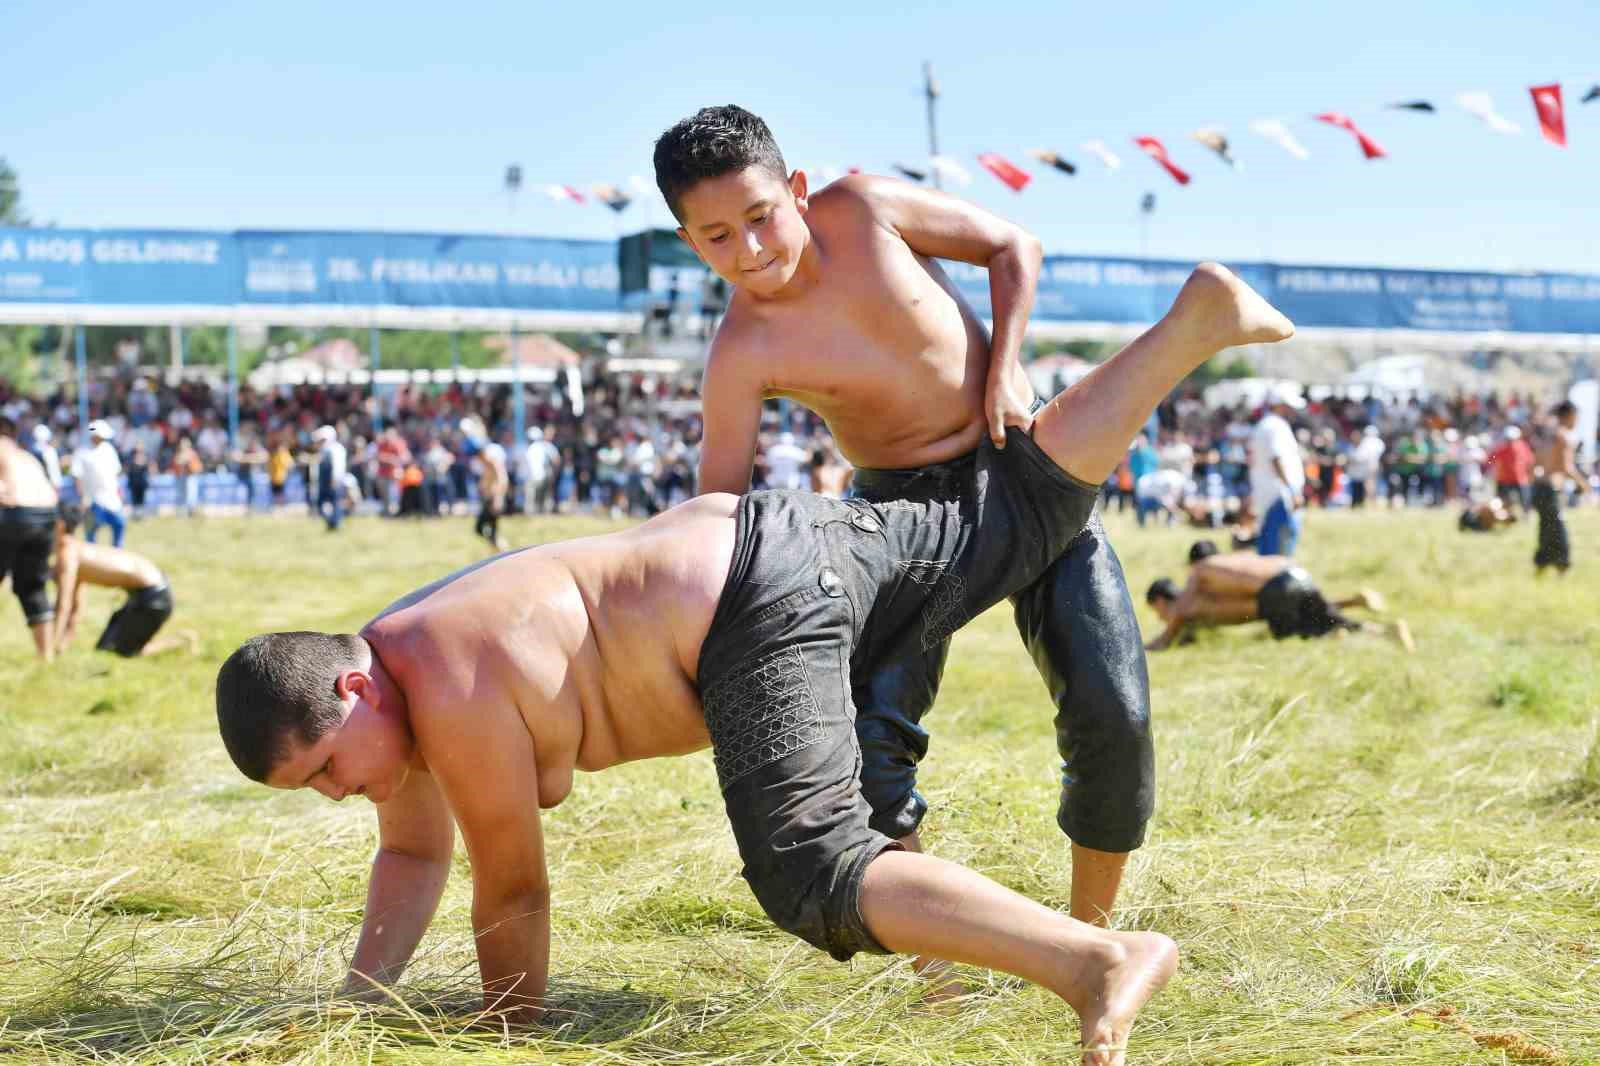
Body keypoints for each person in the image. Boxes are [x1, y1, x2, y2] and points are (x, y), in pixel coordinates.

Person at [217, 283, 1293, 1062]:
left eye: (322, 769)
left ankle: (1093, 959)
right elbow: (412, 858)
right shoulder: (393, 676)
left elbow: (513, 887)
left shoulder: (443, 687)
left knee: (810, 867)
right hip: (780, 543)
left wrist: (506, 1038)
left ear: (351, 690)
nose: (333, 793)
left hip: (751, 599)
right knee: (1017, 514)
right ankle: (1191, 323)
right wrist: (360, 1010)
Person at [656, 106, 1292, 937]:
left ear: (798, 192)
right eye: (716, 239)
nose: (750, 252)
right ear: (687, 241)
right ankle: (939, 973)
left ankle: (1091, 944)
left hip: (1018, 461)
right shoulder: (741, 350)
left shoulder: (864, 210)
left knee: (1114, 713)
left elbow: (1012, 247)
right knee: (869, 742)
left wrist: (1000, 368)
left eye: (760, 218)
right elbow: (723, 511)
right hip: (898, 518)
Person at [1143, 540, 1412, 653]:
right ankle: (1384, 631)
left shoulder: (1201, 571)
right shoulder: (1240, 558)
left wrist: (1152, 646)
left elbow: (1182, 611)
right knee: (1327, 620)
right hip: (1294, 573)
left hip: (1275, 590)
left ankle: (1350, 633)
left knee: (1306, 633)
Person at [52, 503, 196, 657]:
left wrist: (49, 647)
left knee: (122, 652)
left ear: (59, 526)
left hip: (154, 598)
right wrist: (62, 645)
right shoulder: (77, 550)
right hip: (146, 593)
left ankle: (181, 640)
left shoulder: (68, 556)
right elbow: (75, 607)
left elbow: (63, 606)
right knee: (105, 649)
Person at [0, 414, 60, 659]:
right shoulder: (25, 455)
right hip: (46, 516)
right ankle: (45, 657)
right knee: (32, 587)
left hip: (16, 514)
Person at [1248, 385, 1305, 555]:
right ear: (1280, 405)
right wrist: (1292, 490)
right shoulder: (1275, 426)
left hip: (1272, 491)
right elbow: (1276, 459)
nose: (1293, 410)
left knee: (1271, 540)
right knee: (1279, 544)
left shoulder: (1268, 425)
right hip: (1279, 493)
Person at [1532, 400, 1585, 575]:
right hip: (1550, 488)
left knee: (1546, 529)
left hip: (1539, 486)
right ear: (1569, 415)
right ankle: (1562, 567)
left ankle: (1542, 565)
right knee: (1558, 530)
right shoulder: (1563, 436)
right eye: (1576, 417)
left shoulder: (1549, 433)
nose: (1576, 422)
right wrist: (1582, 484)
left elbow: (1537, 459)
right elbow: (1566, 467)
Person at [73, 420, 127, 546]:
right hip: (91, 501)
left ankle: (117, 555)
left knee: (119, 525)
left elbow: (116, 474)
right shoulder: (82, 453)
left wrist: (120, 494)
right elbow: (77, 477)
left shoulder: (109, 450)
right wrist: (83, 498)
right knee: (90, 536)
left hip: (112, 499)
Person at [1487, 426, 1534, 514]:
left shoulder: (1523, 447)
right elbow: (1491, 458)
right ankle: (1505, 515)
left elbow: (1530, 461)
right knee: (1502, 500)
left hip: (1520, 478)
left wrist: (1529, 474)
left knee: (1525, 500)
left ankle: (1526, 514)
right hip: (1504, 479)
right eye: (1508, 439)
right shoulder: (1502, 448)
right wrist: (1490, 464)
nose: (1510, 441)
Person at [474, 441, 509, 550]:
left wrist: (497, 498)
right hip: (489, 498)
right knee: (485, 528)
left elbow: (503, 480)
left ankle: (498, 544)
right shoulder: (487, 465)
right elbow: (484, 481)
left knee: (483, 527)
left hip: (494, 499)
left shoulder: (494, 463)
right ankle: (496, 544)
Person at [313, 426, 347, 532]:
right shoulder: (325, 450)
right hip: (325, 482)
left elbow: (338, 466)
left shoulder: (335, 449)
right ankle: (331, 523)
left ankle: (335, 524)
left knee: (335, 503)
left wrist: (335, 479)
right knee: (322, 503)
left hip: (333, 481)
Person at [1345, 425, 1385, 509]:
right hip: (1370, 466)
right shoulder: (1377, 442)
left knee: (1369, 485)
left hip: (1368, 466)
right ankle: (1371, 502)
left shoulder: (1367, 442)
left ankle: (1372, 502)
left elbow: (1363, 456)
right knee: (1369, 485)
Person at [522, 427, 559, 515]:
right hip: (543, 476)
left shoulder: (530, 448)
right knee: (544, 498)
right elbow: (556, 460)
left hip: (533, 477)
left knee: (532, 498)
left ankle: (532, 514)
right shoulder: (545, 446)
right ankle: (545, 513)